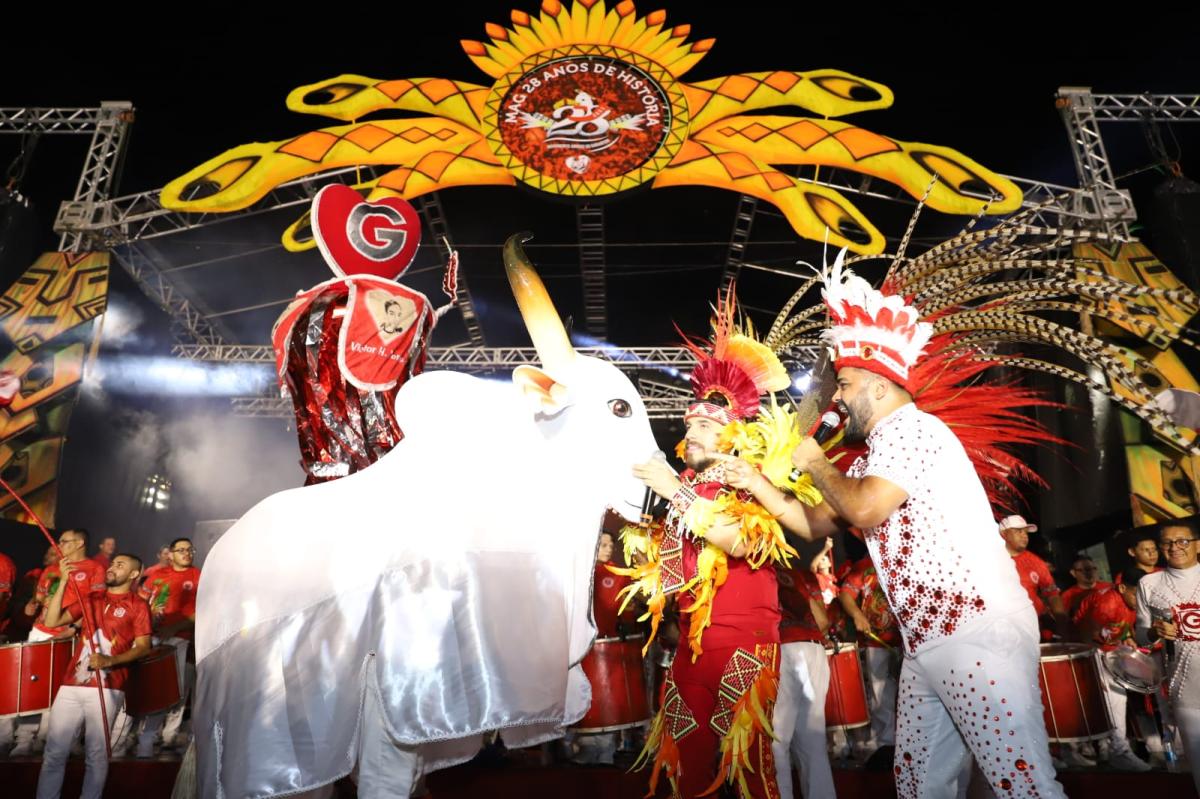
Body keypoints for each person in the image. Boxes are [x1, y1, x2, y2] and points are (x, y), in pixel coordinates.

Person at [719, 259, 1067, 798]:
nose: (835, 399)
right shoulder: (873, 456)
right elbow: (811, 520)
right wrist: (757, 483)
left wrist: (814, 464)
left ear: (880, 388)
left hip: (973, 633)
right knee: (918, 786)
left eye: (847, 385)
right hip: (929, 642)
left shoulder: (913, 431)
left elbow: (863, 510)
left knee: (1020, 783)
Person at [625, 294, 802, 799]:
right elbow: (680, 566)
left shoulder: (751, 479)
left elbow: (738, 541)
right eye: (690, 424)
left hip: (744, 641)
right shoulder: (688, 484)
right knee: (688, 759)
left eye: (705, 425)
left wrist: (673, 492)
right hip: (690, 647)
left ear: (734, 436)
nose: (692, 432)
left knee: (748, 764)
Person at [35, 552, 152, 799]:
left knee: (96, 754)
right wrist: (65, 581)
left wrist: (111, 660)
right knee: (54, 752)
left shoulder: (138, 605)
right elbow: (54, 619)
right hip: (71, 684)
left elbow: (143, 646)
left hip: (108, 686)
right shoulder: (91, 598)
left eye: (120, 565)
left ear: (134, 574)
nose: (112, 568)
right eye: (112, 563)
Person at [8, 530, 106, 758]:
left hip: (70, 635)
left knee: (61, 689)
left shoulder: (95, 569)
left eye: (64, 541)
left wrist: (74, 627)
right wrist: (32, 606)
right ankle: (24, 738)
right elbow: (40, 598)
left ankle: (49, 737)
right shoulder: (52, 570)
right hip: (41, 632)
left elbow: (95, 604)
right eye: (59, 540)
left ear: (80, 543)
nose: (59, 544)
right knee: (33, 687)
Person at [1136, 520, 1200, 793]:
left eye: (1182, 541)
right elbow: (1141, 636)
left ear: (1197, 544)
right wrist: (1154, 631)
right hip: (1186, 691)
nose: (1175, 548)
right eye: (1168, 543)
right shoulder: (1149, 583)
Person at [1073, 567, 1151, 771]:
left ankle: (1110, 749)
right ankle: (1119, 751)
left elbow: (1120, 627)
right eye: (1136, 595)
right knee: (1114, 697)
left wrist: (1126, 639)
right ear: (1123, 588)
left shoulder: (1132, 599)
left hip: (1108, 648)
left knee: (1113, 700)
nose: (1141, 600)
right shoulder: (1107, 604)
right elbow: (1085, 634)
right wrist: (1093, 670)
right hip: (1088, 651)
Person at [772, 559, 836, 799]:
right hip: (813, 649)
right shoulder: (795, 575)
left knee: (776, 739)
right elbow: (822, 621)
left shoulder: (753, 571)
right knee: (813, 741)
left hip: (783, 649)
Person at [134, 536, 200, 756]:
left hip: (179, 639)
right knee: (145, 686)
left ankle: (161, 735)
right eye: (181, 550)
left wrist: (174, 628)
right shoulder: (155, 576)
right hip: (150, 637)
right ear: (170, 554)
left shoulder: (198, 577)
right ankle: (131, 735)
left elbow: (202, 611)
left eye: (189, 550)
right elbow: (141, 602)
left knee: (173, 688)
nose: (186, 553)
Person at [839, 554, 901, 764]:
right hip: (876, 641)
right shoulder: (863, 566)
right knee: (879, 693)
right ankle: (886, 746)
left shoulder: (905, 555)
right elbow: (846, 593)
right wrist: (857, 615)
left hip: (910, 640)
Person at [998, 515, 1069, 637]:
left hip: (1033, 627)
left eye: (1026, 532)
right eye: (1018, 531)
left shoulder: (1036, 563)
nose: (1024, 535)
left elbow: (1052, 594)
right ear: (1004, 534)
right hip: (1001, 628)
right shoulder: (989, 560)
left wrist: (1062, 625)